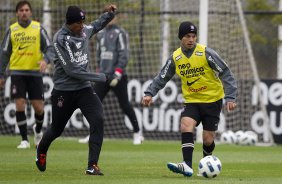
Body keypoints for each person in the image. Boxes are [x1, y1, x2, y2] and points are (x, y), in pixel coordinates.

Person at [141, 21, 237, 177]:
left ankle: (206, 164)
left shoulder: (206, 53)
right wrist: (149, 93)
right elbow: (162, 77)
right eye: (187, 36)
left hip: (212, 100)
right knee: (186, 125)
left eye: (193, 36)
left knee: (207, 139)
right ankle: (186, 165)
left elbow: (226, 72)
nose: (191, 39)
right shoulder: (176, 57)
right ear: (181, 37)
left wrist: (231, 96)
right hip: (191, 100)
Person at [35, 4, 117, 175]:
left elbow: (96, 25)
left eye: (83, 22)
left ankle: (92, 165)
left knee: (98, 119)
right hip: (64, 91)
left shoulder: (84, 30)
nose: (82, 26)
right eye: (79, 23)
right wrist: (100, 77)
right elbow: (72, 70)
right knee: (56, 129)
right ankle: (41, 149)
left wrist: (109, 14)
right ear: (69, 23)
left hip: (84, 89)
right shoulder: (60, 39)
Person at [78, 13, 144, 145]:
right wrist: (98, 70)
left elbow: (124, 54)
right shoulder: (100, 34)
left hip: (117, 76)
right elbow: (98, 54)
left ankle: (137, 133)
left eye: (113, 16)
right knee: (94, 104)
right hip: (103, 76)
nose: (111, 19)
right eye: (109, 17)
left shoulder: (121, 33)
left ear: (117, 18)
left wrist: (118, 72)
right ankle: (92, 133)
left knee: (125, 105)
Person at [0, 0, 54, 149]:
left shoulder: (38, 28)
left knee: (39, 108)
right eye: (21, 10)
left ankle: (37, 131)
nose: (24, 12)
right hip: (17, 72)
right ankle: (24, 139)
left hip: (35, 74)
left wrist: (46, 60)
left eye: (26, 10)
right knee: (19, 104)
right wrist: (1, 75)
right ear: (17, 13)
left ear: (30, 12)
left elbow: (49, 48)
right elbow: (4, 54)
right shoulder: (12, 30)